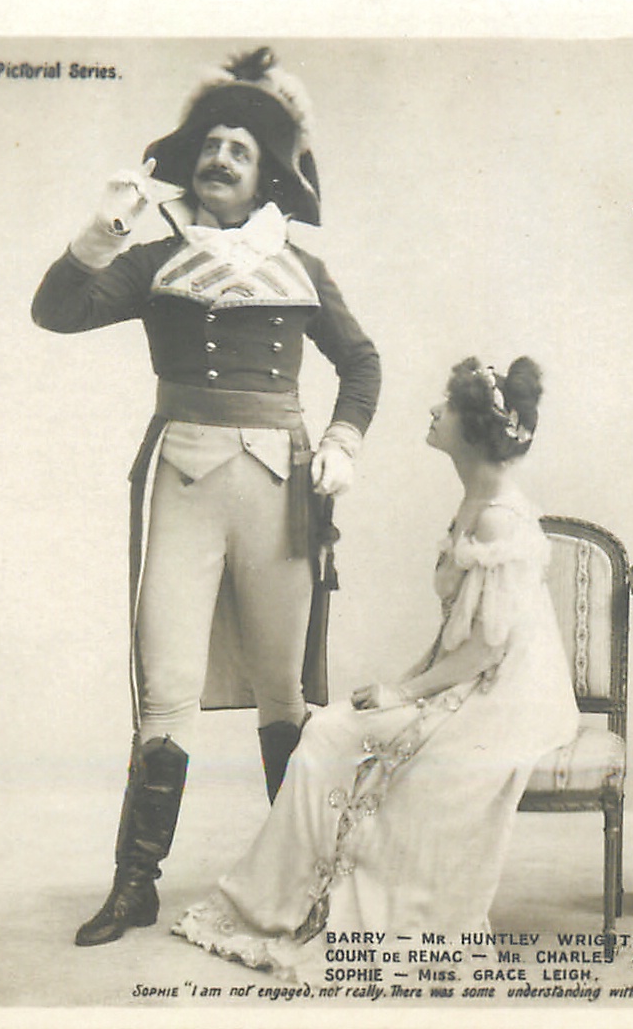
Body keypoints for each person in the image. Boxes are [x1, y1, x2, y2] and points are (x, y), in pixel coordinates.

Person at [30, 48, 382, 947]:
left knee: (282, 689)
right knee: (166, 686)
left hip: (279, 485)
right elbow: (56, 312)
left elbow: (361, 362)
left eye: (241, 148)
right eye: (211, 145)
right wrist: (105, 228)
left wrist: (341, 442)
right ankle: (134, 885)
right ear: (190, 164)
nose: (221, 157)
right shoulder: (154, 258)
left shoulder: (299, 266)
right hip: (181, 478)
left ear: (267, 174)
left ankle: (301, 881)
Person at [170, 357, 578, 982]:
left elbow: (486, 649)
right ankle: (282, 901)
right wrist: (408, 688)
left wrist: (403, 691)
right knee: (328, 732)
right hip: (472, 676)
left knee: (342, 738)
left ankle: (319, 909)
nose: (434, 412)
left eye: (447, 407)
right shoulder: (475, 498)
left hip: (507, 695)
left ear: (472, 429)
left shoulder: (499, 514)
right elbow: (459, 636)